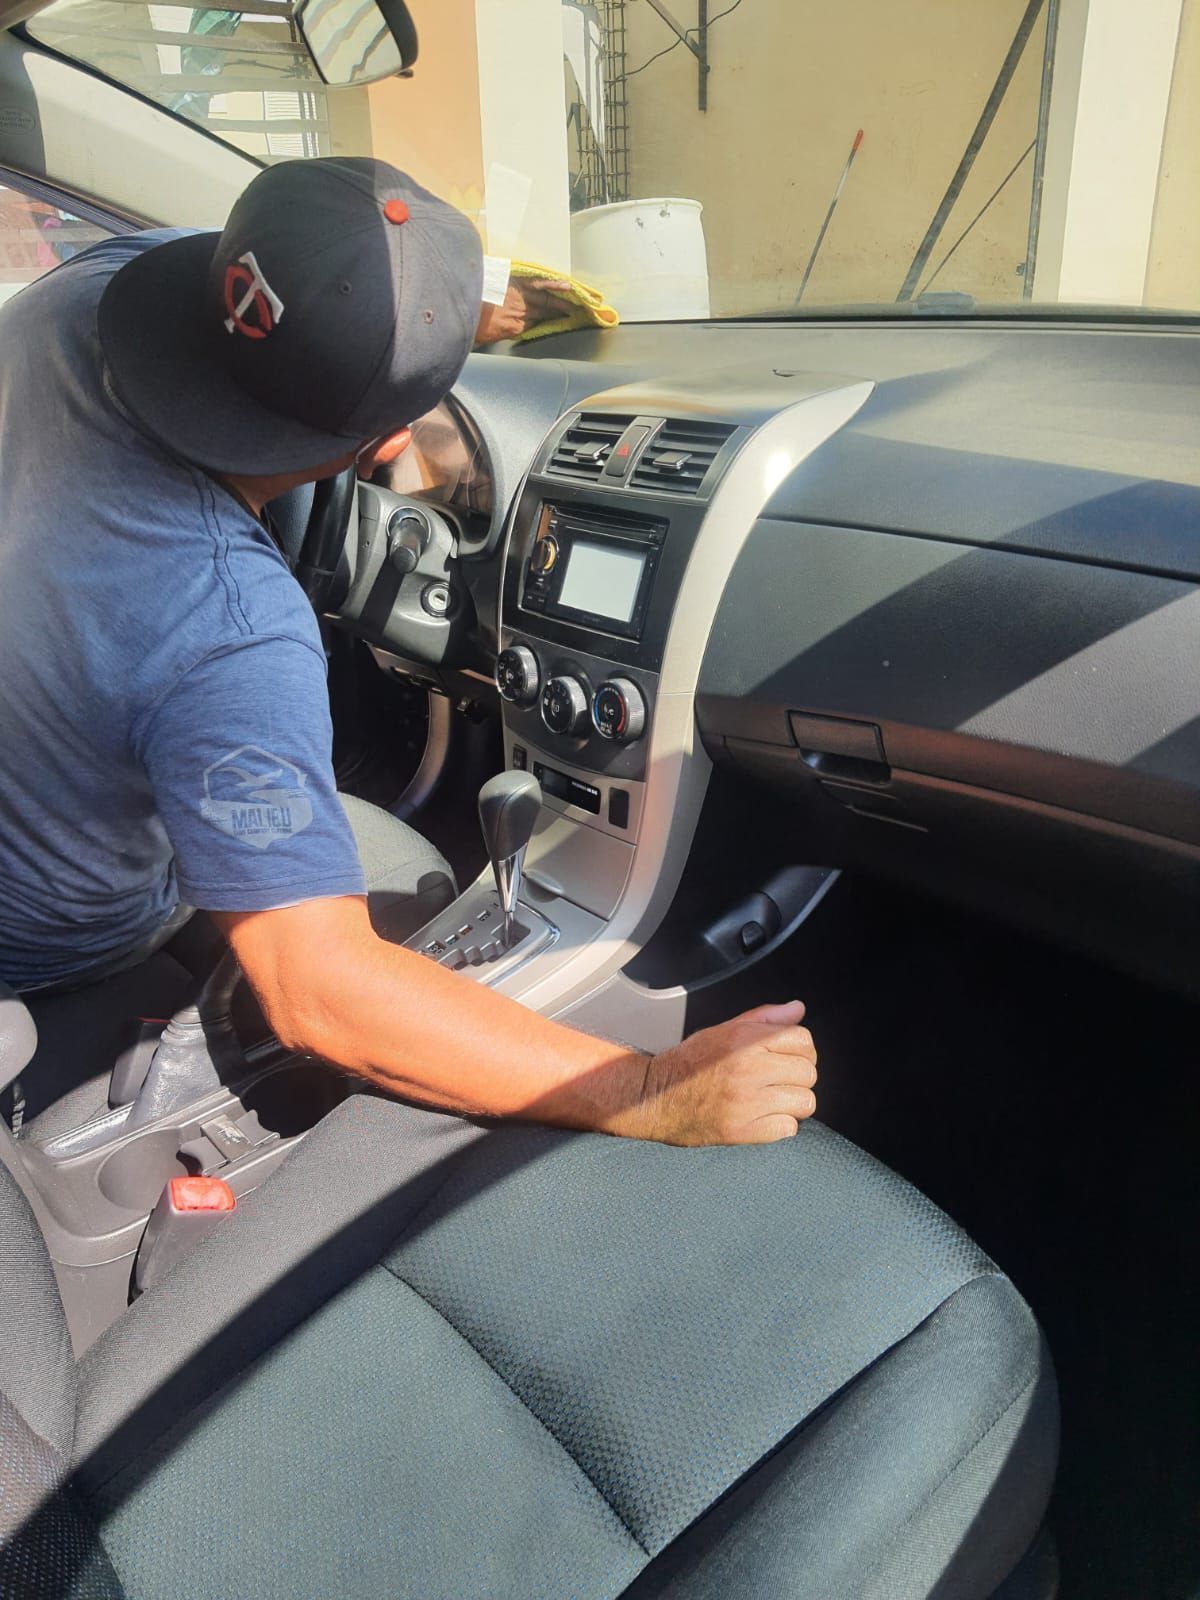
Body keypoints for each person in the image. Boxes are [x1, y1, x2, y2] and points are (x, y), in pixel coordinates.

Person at [0, 157, 816, 1147]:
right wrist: (654, 1087)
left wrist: (439, 307)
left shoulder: (93, 290)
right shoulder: (227, 626)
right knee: (411, 881)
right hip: (51, 948)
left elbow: (303, 279)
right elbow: (322, 994)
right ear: (385, 444)